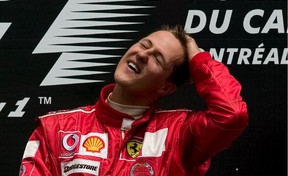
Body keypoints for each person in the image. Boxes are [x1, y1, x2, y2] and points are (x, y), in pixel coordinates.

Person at [19, 25, 248, 176]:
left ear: (167, 87)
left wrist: (194, 53)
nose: (141, 55)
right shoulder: (54, 128)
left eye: (157, 58)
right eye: (144, 45)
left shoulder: (179, 133)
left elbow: (231, 114)